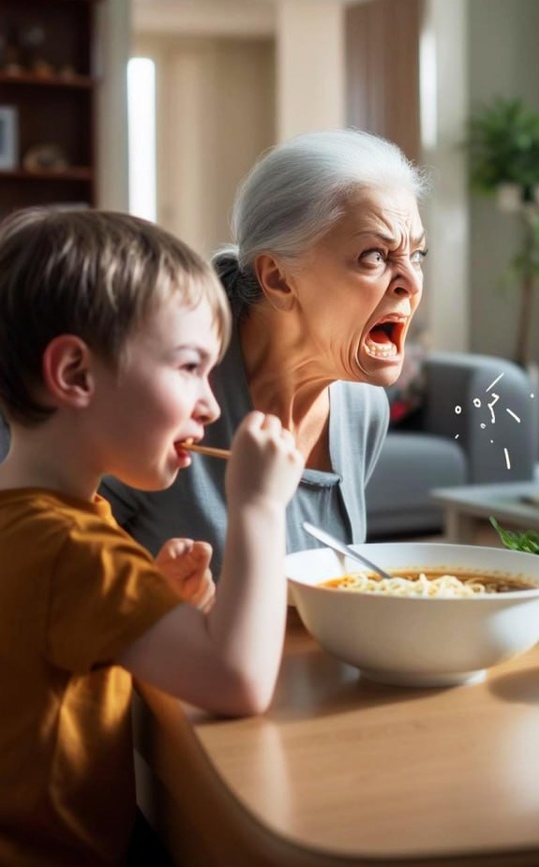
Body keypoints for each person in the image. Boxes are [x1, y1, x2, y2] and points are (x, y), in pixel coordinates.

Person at [0, 208, 305, 864]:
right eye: (190, 366)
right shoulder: (73, 548)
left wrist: (153, 602)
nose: (213, 406)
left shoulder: (40, 520)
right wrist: (257, 507)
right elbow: (237, 683)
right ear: (76, 374)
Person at [102, 128, 428, 578]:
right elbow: (46, 570)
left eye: (418, 254)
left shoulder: (363, 404)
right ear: (277, 277)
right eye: (374, 256)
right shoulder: (160, 395)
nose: (411, 282)